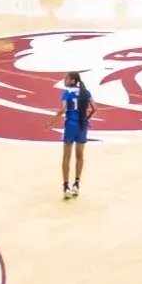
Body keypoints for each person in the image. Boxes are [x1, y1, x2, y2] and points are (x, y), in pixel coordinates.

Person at [45, 71, 95, 199]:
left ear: (72, 80)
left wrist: (50, 123)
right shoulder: (86, 92)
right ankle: (77, 184)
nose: (64, 80)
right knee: (80, 155)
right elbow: (95, 108)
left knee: (66, 156)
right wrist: (87, 118)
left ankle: (66, 186)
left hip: (70, 126)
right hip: (82, 126)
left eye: (66, 78)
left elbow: (62, 110)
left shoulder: (66, 93)